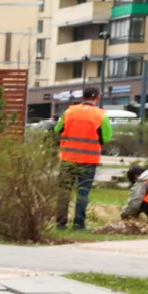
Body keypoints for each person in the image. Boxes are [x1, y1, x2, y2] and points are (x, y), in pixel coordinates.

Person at [54, 87, 112, 230]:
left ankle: (60, 223)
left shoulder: (69, 112)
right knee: (83, 192)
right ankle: (79, 224)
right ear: (97, 97)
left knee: (64, 191)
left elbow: (57, 129)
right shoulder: (101, 115)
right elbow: (107, 137)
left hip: (68, 158)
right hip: (88, 160)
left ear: (83, 96)